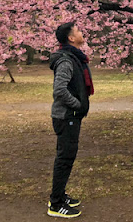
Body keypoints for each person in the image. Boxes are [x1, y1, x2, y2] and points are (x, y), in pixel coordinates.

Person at [47, 22, 94, 219]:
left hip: (70, 116)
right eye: (78, 31)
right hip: (67, 117)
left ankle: (59, 195)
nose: (82, 33)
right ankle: (56, 204)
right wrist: (78, 105)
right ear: (71, 38)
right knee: (65, 159)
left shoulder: (74, 58)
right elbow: (59, 91)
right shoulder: (66, 60)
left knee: (67, 157)